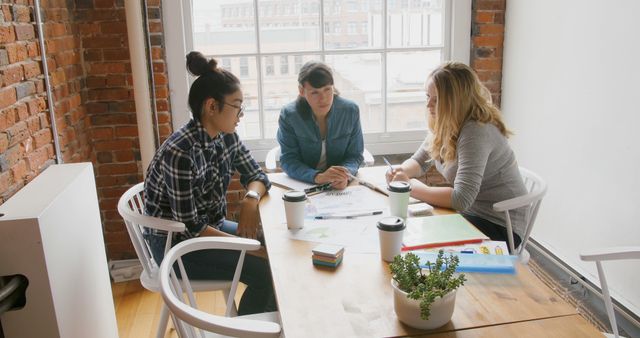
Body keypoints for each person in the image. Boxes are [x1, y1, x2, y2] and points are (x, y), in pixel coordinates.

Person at [143, 51, 275, 315]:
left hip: (210, 227)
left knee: (277, 248)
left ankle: (260, 327)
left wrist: (250, 199)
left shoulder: (227, 136)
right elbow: (191, 226)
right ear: (211, 106)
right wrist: (247, 248)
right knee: (268, 273)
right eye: (237, 106)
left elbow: (258, 176)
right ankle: (249, 333)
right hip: (177, 247)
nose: (241, 114)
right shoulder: (180, 152)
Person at [387, 62, 527, 250]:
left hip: (500, 225)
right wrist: (401, 170)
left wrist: (409, 186)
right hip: (470, 213)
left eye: (437, 100)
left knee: (419, 239)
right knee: (412, 231)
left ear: (455, 101)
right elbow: (420, 161)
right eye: (428, 97)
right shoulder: (446, 122)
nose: (428, 105)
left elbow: (461, 199)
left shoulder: (476, 131)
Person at [277, 61, 364, 190]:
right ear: (302, 91)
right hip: (305, 184)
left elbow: (355, 155)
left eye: (327, 89)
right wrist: (318, 177)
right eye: (315, 92)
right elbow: (288, 160)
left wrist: (345, 174)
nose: (323, 98)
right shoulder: (289, 115)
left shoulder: (350, 111)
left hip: (339, 186)